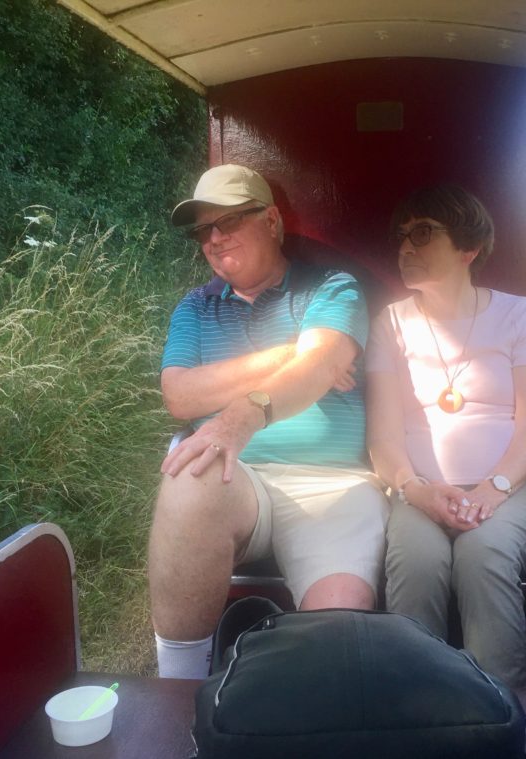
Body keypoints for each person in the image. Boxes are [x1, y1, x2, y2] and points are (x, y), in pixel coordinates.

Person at [150, 164, 388, 679]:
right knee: (189, 473)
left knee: (339, 629)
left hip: (333, 485)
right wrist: (293, 352)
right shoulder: (195, 308)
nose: (214, 239)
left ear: (273, 221)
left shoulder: (331, 288)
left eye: (229, 221)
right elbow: (180, 396)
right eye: (203, 229)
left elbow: (321, 364)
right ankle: (177, 686)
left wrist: (246, 411)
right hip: (241, 480)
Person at [365, 184, 526, 689]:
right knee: (415, 559)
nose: (406, 246)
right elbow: (383, 437)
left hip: (517, 487)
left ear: (469, 249)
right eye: (403, 235)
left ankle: (497, 715)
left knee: (484, 552)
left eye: (424, 233)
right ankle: (414, 712)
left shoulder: (519, 315)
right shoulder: (391, 323)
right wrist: (417, 490)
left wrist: (492, 489)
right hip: (420, 487)